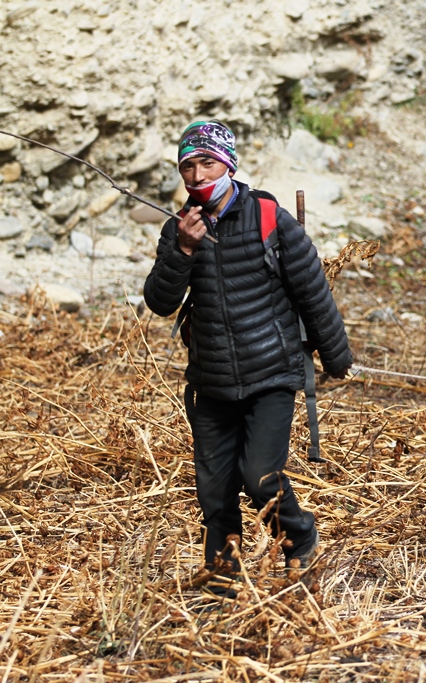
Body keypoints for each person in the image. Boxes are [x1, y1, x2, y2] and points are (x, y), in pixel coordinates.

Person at [144, 120, 352, 587]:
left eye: (207, 163)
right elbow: (159, 301)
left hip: (271, 375)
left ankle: (299, 540)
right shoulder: (179, 228)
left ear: (228, 164)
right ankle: (222, 574)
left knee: (260, 477)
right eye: (188, 167)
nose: (197, 176)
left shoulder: (269, 218)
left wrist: (335, 356)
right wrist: (182, 249)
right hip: (211, 381)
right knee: (214, 490)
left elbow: (313, 292)